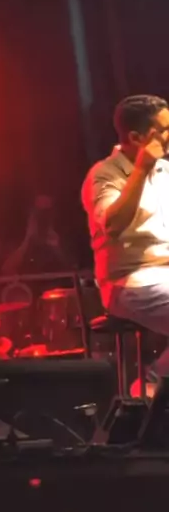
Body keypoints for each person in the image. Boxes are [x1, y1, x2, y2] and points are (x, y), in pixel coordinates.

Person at [81, 94, 169, 396]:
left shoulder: (165, 172)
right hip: (129, 282)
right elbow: (113, 225)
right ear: (136, 138)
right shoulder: (104, 174)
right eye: (164, 130)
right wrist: (141, 169)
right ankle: (153, 382)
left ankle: (158, 380)